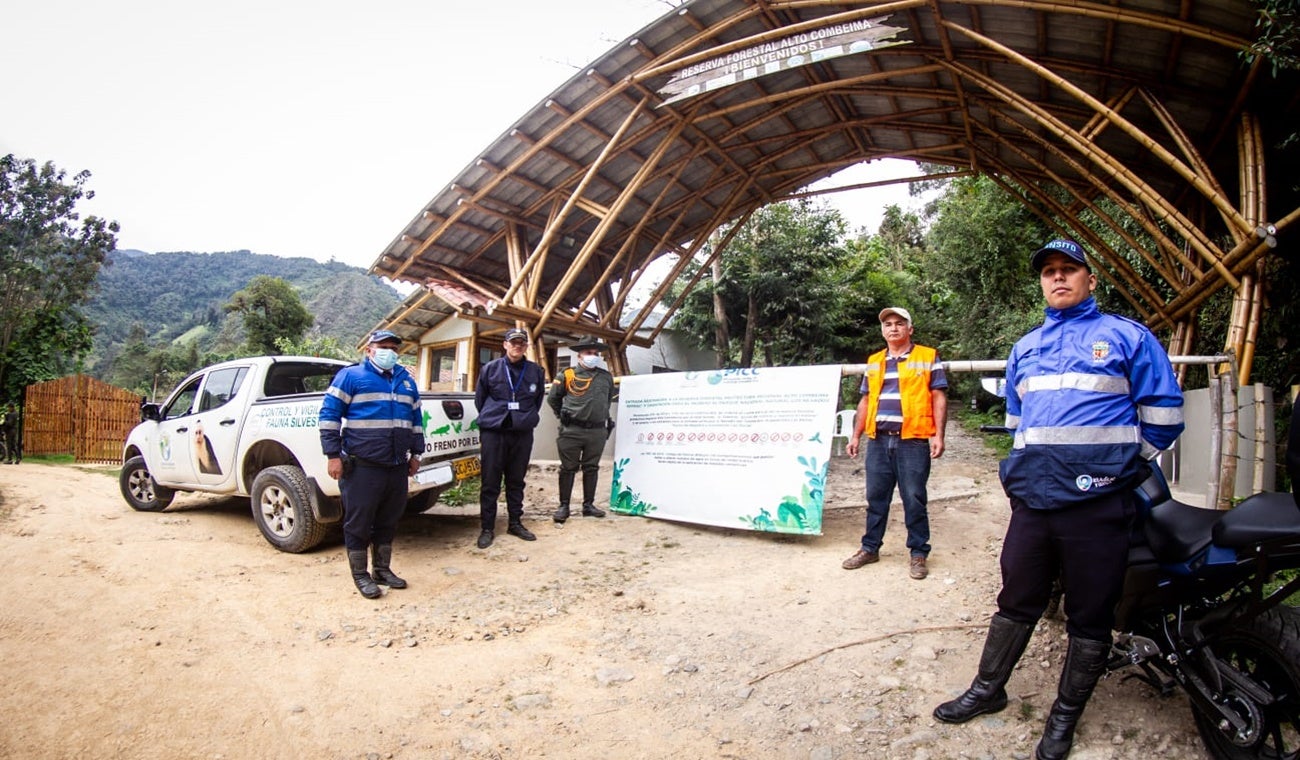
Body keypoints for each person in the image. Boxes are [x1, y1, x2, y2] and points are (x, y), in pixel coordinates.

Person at [932, 239, 1184, 760]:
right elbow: (1017, 425)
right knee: (1016, 598)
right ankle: (988, 689)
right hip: (1036, 501)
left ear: (1091, 279)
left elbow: (1164, 415)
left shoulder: (1126, 337)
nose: (1058, 277)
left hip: (1099, 504)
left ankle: (1063, 719)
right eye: (1049, 271)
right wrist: (1020, 476)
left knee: (1090, 615)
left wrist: (1121, 465)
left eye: (1069, 269)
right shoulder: (1026, 348)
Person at [842, 306, 948, 580]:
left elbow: (938, 396)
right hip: (878, 441)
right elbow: (865, 400)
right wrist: (856, 435)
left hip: (913, 441)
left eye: (900, 323)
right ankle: (870, 548)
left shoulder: (928, 356)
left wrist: (938, 434)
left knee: (914, 498)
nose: (893, 328)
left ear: (910, 329)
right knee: (876, 497)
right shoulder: (874, 361)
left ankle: (918, 553)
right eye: (888, 324)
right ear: (882, 330)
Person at [319, 330, 424, 599]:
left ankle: (382, 569)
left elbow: (415, 421)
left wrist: (416, 455)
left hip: (397, 466)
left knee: (388, 520)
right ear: (369, 350)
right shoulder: (351, 377)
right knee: (359, 523)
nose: (389, 350)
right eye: (383, 346)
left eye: (393, 347)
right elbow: (329, 415)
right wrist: (332, 455)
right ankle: (360, 575)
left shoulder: (406, 382)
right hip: (362, 466)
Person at [475, 327, 546, 548]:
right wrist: (495, 416)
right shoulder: (490, 369)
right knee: (490, 482)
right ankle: (487, 527)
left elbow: (538, 400)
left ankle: (515, 523)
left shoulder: (536, 371)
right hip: (494, 431)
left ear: (526, 347)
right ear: (505, 345)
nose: (517, 346)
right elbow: (481, 399)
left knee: (516, 480)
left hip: (521, 433)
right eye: (513, 342)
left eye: (521, 343)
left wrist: (524, 417)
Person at [547, 335, 618, 523]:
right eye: (588, 352)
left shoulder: (606, 377)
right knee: (568, 468)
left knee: (591, 468)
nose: (592, 356)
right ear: (579, 355)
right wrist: (561, 415)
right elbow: (553, 399)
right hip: (572, 430)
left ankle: (588, 505)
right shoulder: (567, 375)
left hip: (596, 431)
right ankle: (564, 506)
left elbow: (608, 398)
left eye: (595, 353)